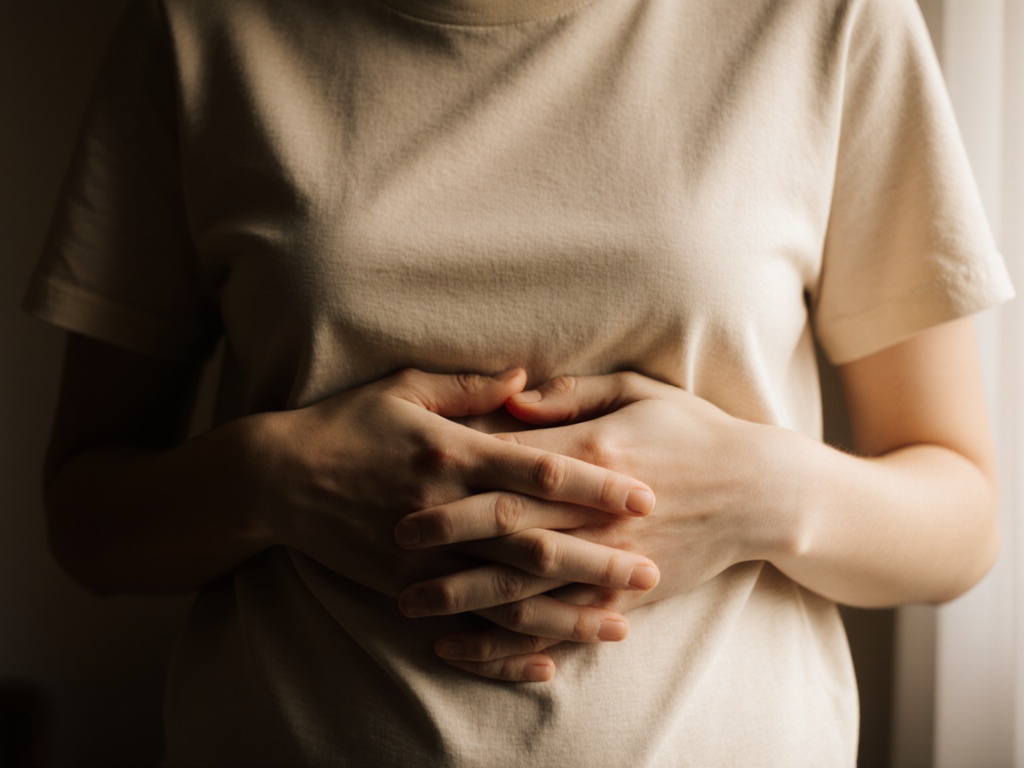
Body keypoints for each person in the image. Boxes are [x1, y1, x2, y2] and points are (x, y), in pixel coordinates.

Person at [24, 0, 1014, 764]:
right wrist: (277, 479)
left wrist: (758, 494)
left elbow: (960, 521)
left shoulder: (828, 20)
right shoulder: (199, 28)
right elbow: (89, 519)